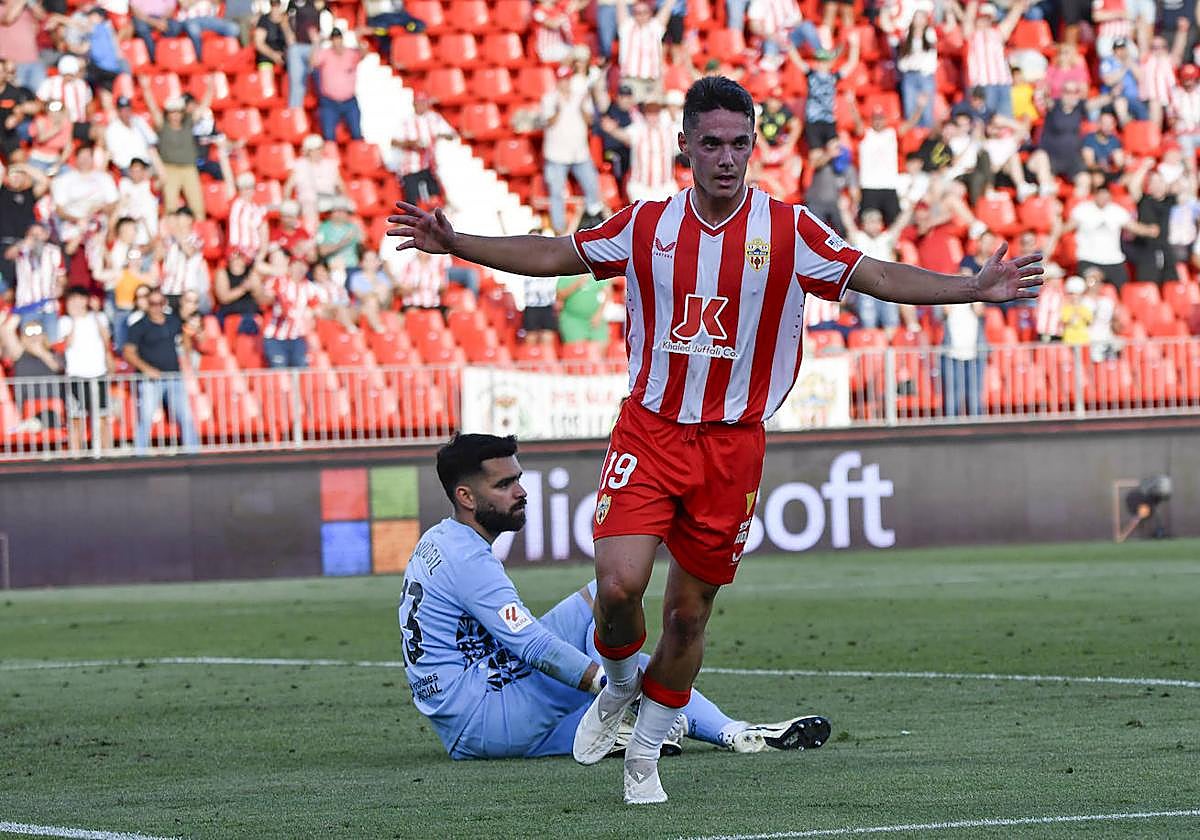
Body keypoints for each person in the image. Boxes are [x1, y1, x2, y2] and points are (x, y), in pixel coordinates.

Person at [386, 75, 1043, 805]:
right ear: (685, 147)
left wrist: (970, 288)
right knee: (617, 587)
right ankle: (620, 686)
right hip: (651, 430)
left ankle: (643, 756)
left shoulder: (788, 231)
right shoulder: (647, 226)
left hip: (732, 447)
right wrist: (459, 244)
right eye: (711, 144)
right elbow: (555, 254)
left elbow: (875, 274)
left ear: (753, 145)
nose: (727, 158)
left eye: (738, 144)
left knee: (687, 615)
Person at [401, 432, 831, 760]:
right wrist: (609, 688)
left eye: (519, 479)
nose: (521, 492)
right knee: (608, 627)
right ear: (466, 496)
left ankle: (651, 731)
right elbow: (530, 645)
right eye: (505, 484)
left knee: (608, 621)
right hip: (489, 712)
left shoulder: (441, 540)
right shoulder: (468, 560)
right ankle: (717, 728)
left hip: (465, 724)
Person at [123, 287, 201, 452]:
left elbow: (185, 342)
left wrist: (188, 336)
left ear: (164, 303)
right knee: (146, 418)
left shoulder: (173, 321)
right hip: (151, 380)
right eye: (152, 303)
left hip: (174, 376)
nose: (156, 307)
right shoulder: (138, 326)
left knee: (186, 416)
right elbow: (128, 352)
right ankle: (140, 453)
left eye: (160, 303)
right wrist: (146, 369)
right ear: (147, 304)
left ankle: (193, 452)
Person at [58, 285, 114, 452]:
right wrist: (74, 320)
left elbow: (106, 339)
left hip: (98, 373)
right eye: (71, 299)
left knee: (102, 416)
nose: (75, 303)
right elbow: (67, 344)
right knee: (75, 418)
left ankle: (106, 452)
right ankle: (75, 454)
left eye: (78, 299)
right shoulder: (65, 321)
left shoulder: (99, 317)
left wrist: (96, 313)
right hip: (76, 374)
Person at [311, 27, 362, 142]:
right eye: (334, 39)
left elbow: (363, 55)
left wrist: (358, 39)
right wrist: (316, 43)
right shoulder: (326, 53)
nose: (337, 41)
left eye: (338, 38)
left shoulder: (351, 53)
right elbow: (313, 62)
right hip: (329, 102)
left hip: (349, 101)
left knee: (357, 134)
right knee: (329, 136)